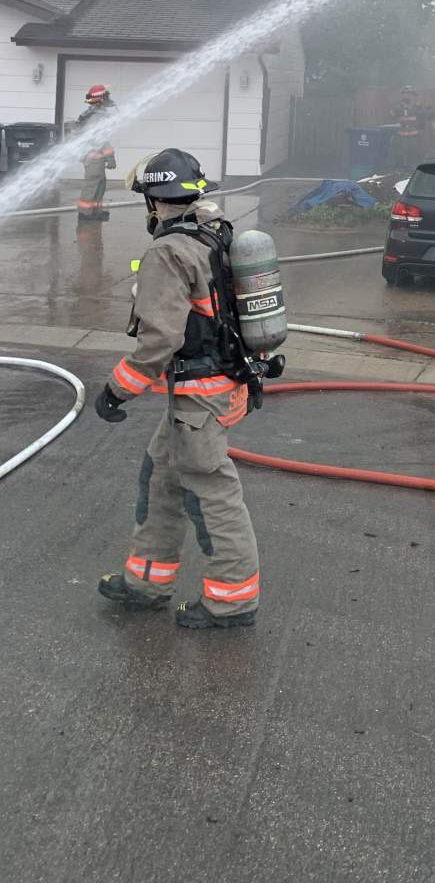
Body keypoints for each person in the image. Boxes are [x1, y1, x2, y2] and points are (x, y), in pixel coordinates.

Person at [95, 148, 261, 631]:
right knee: (162, 478)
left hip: (198, 397)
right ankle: (146, 583)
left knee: (211, 495)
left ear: (152, 201)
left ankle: (232, 601)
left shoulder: (167, 251)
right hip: (210, 390)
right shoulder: (213, 231)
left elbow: (159, 340)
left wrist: (116, 391)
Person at [74, 83, 117, 222]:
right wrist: (110, 157)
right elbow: (100, 139)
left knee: (99, 185)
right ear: (101, 99)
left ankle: (95, 211)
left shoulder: (94, 113)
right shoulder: (97, 117)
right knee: (92, 186)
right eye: (106, 96)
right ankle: (85, 214)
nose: (108, 98)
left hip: (96, 158)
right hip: (93, 158)